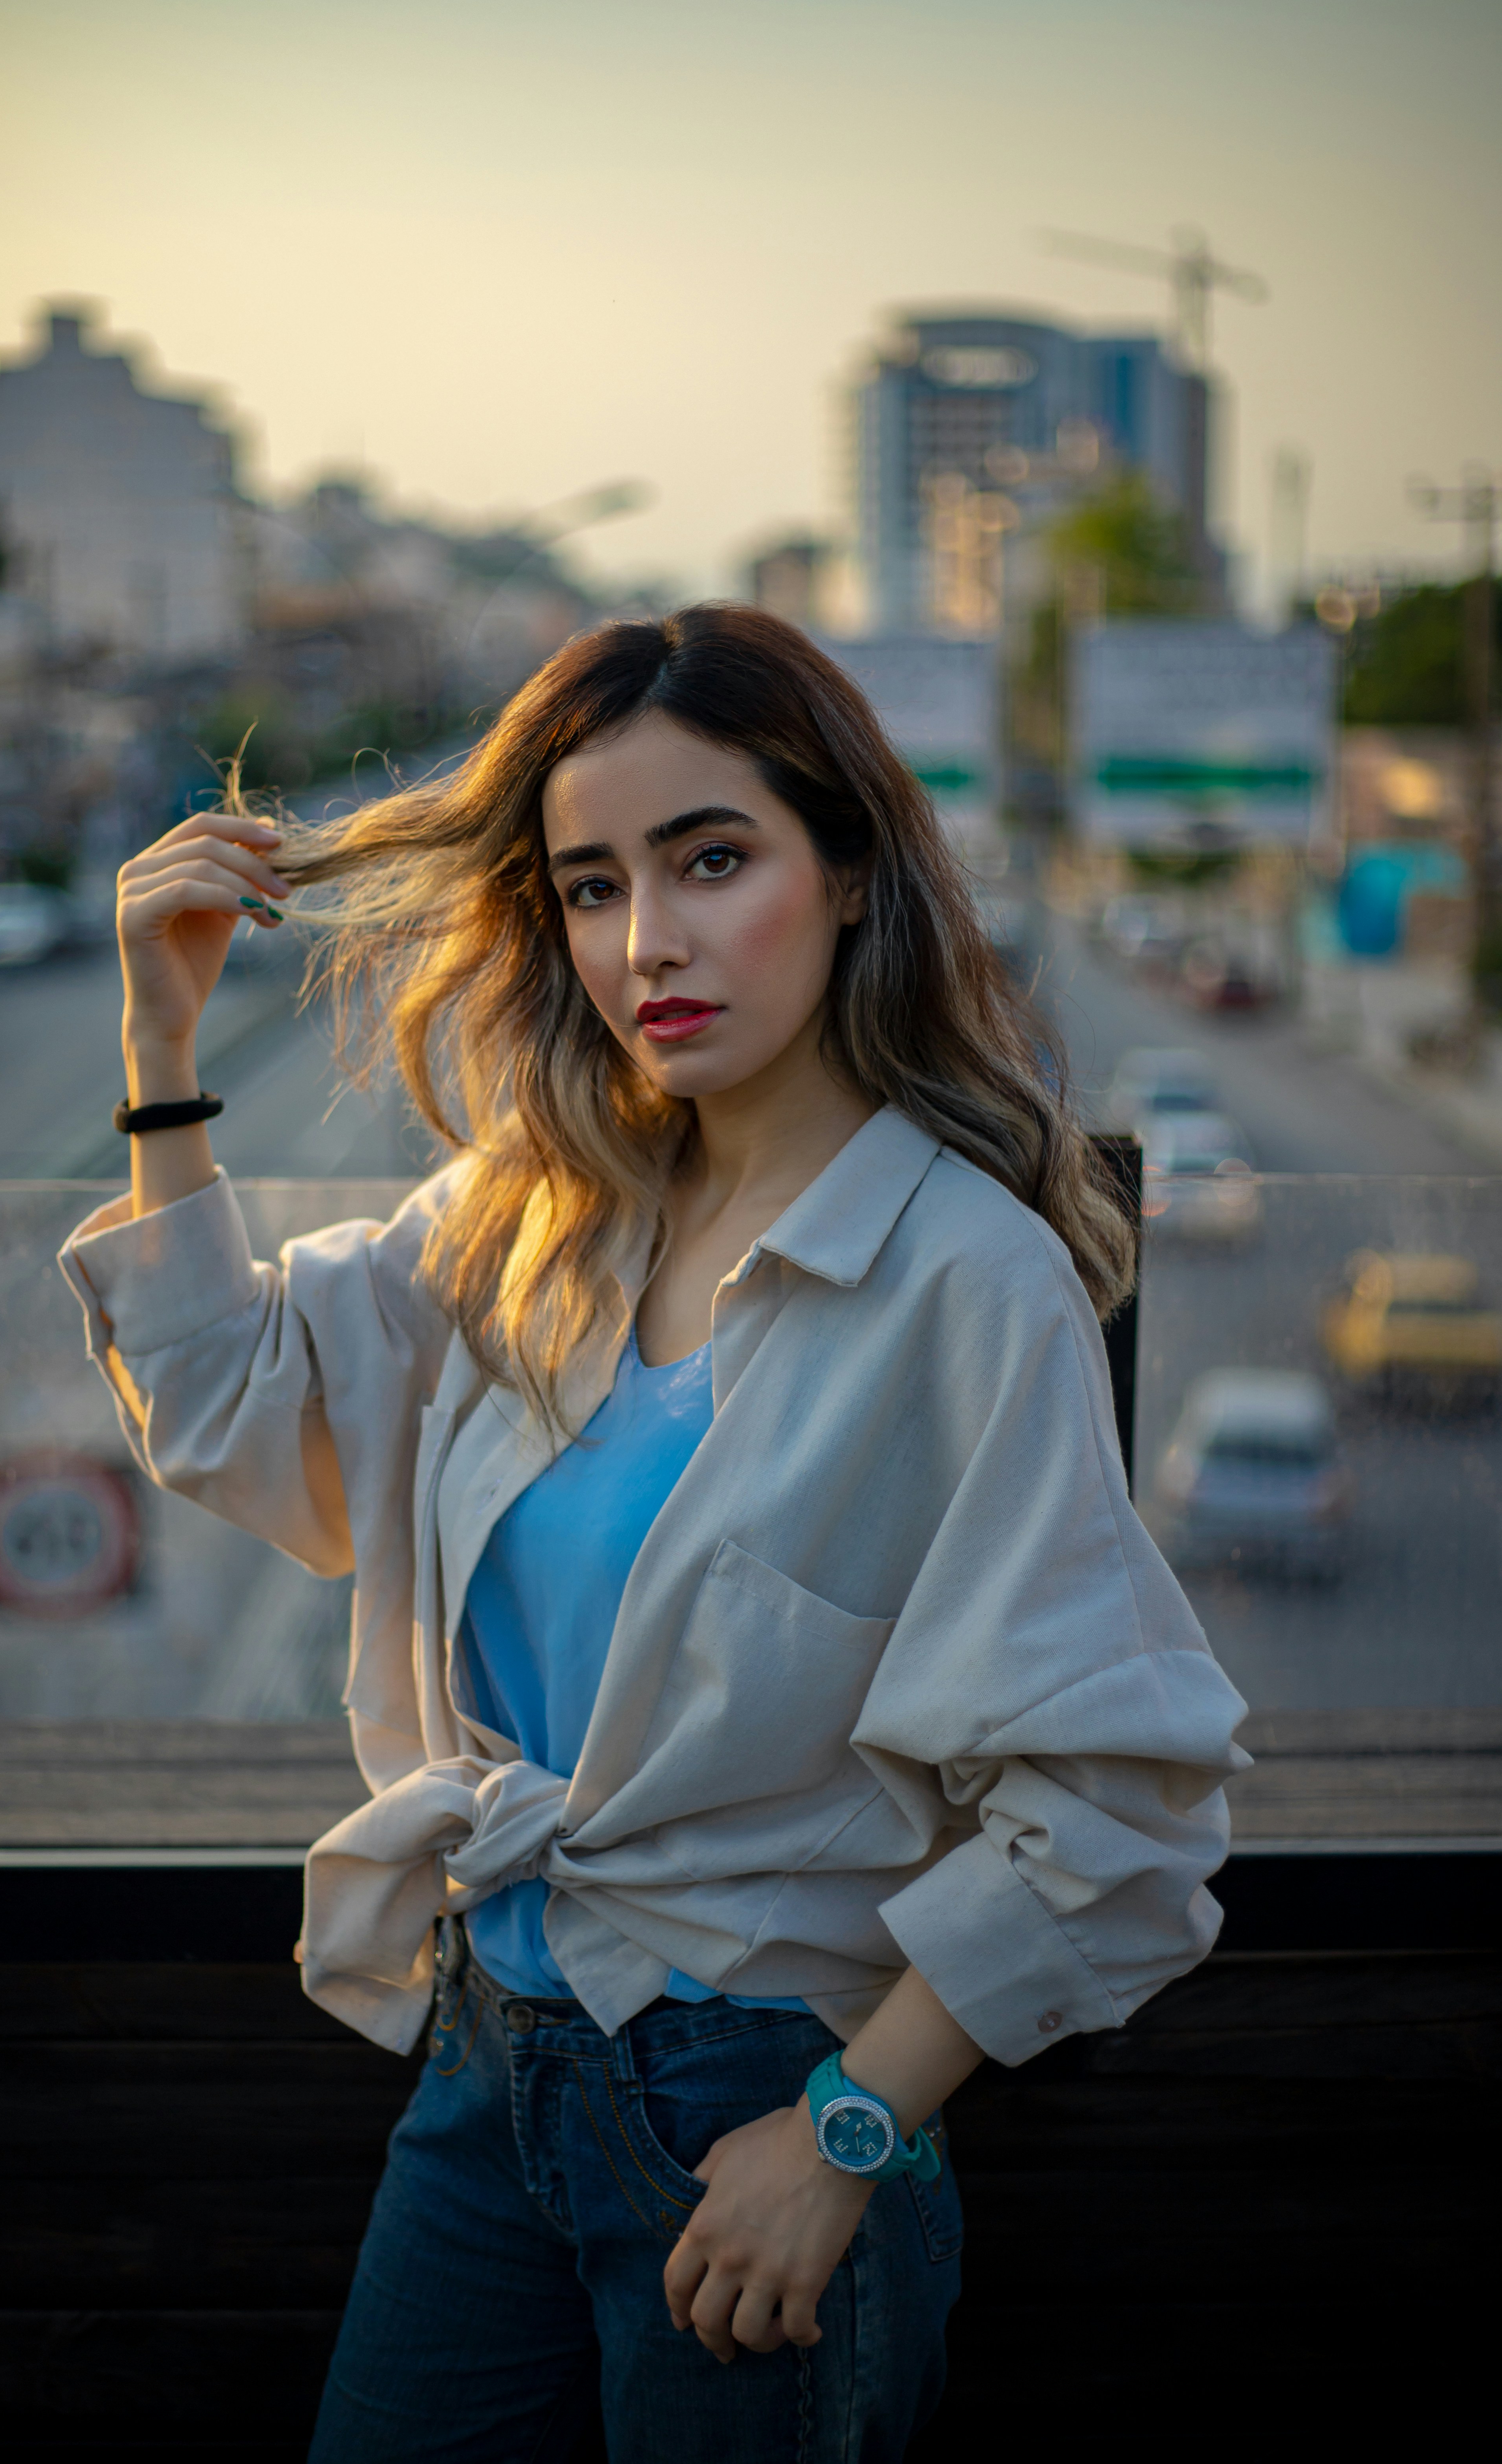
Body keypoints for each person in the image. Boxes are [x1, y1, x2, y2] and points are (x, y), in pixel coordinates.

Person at [61, 605, 1247, 2464]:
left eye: (711, 861)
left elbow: (1122, 1806)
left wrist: (849, 2133)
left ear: (846, 870)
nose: (647, 944)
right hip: (486, 2059)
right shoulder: (536, 1213)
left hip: (764, 2098)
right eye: (591, 886)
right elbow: (231, 1410)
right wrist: (158, 1036)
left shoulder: (965, 1282)